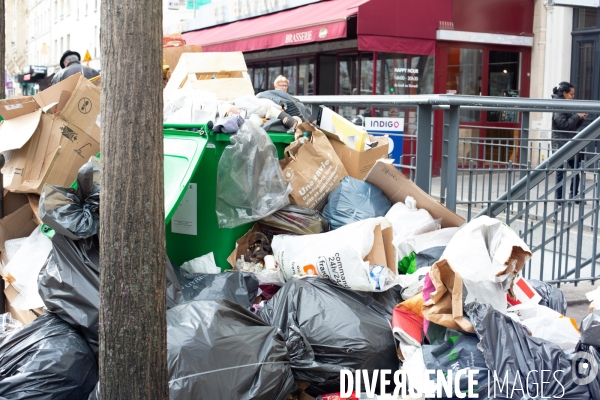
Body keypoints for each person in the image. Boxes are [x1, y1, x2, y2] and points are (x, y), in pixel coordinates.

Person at [551, 81, 588, 202]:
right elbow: (563, 124)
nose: (573, 97)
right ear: (564, 93)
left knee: (576, 170)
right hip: (561, 143)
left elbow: (573, 126)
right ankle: (559, 198)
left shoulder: (567, 104)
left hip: (570, 142)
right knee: (561, 172)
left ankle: (574, 195)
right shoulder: (559, 105)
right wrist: (577, 116)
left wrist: (580, 118)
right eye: (571, 94)